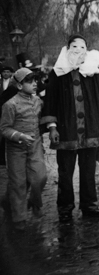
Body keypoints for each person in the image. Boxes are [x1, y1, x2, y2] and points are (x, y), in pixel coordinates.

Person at [41, 34, 99, 222]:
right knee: (65, 172)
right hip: (66, 130)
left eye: (82, 47)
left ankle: (89, 205)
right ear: (68, 48)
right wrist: (52, 127)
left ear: (86, 50)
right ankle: (65, 207)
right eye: (75, 46)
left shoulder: (93, 73)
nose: (78, 51)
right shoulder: (57, 73)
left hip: (90, 129)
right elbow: (50, 101)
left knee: (88, 170)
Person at [0, 68, 47, 231]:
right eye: (30, 81)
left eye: (35, 81)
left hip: (34, 146)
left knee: (40, 177)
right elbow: (4, 128)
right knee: (18, 182)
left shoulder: (38, 101)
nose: (35, 84)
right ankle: (19, 217)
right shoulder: (10, 104)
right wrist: (19, 135)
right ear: (19, 86)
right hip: (15, 149)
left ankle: (26, 202)